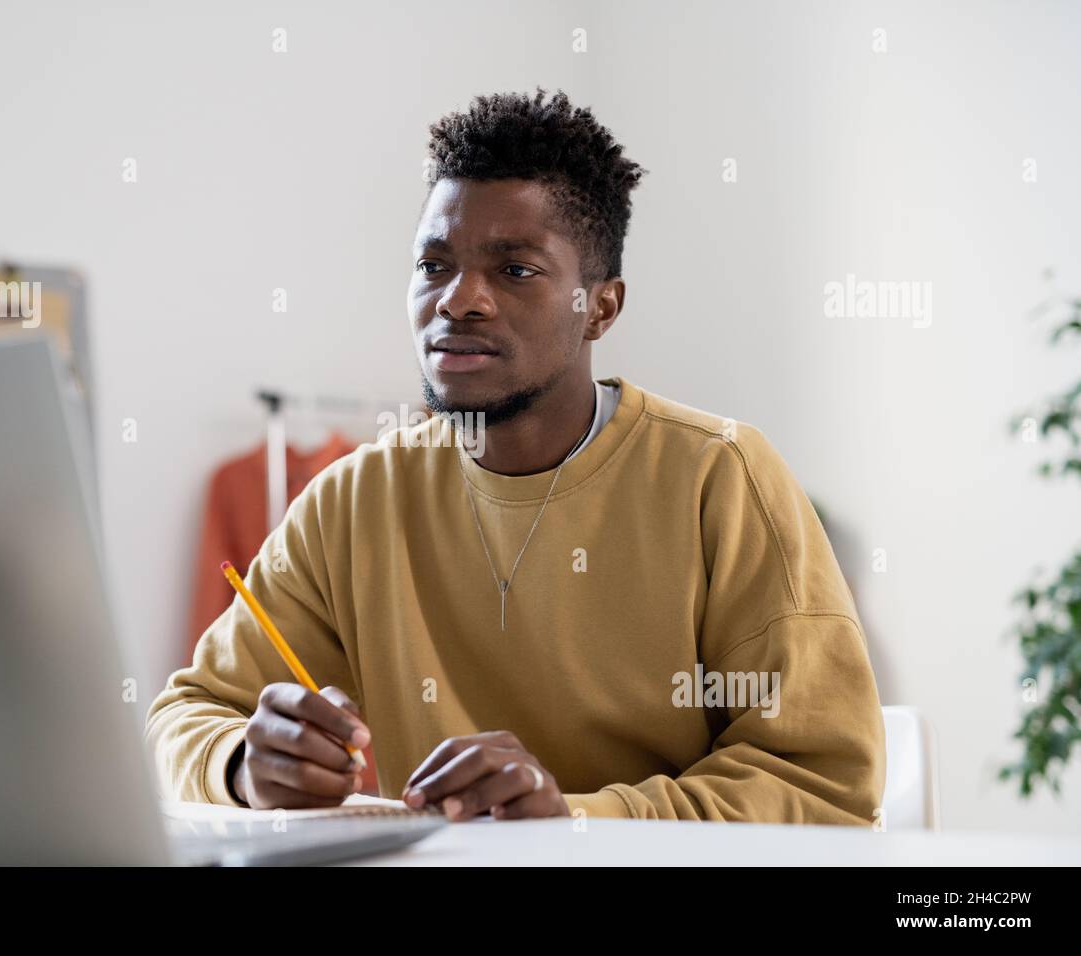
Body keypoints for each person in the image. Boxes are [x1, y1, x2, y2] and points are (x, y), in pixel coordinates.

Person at [147, 87, 884, 823]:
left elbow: (823, 786)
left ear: (601, 306)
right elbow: (187, 713)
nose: (459, 300)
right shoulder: (354, 501)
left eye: (515, 270)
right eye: (434, 266)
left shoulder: (720, 479)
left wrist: (574, 824)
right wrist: (244, 760)